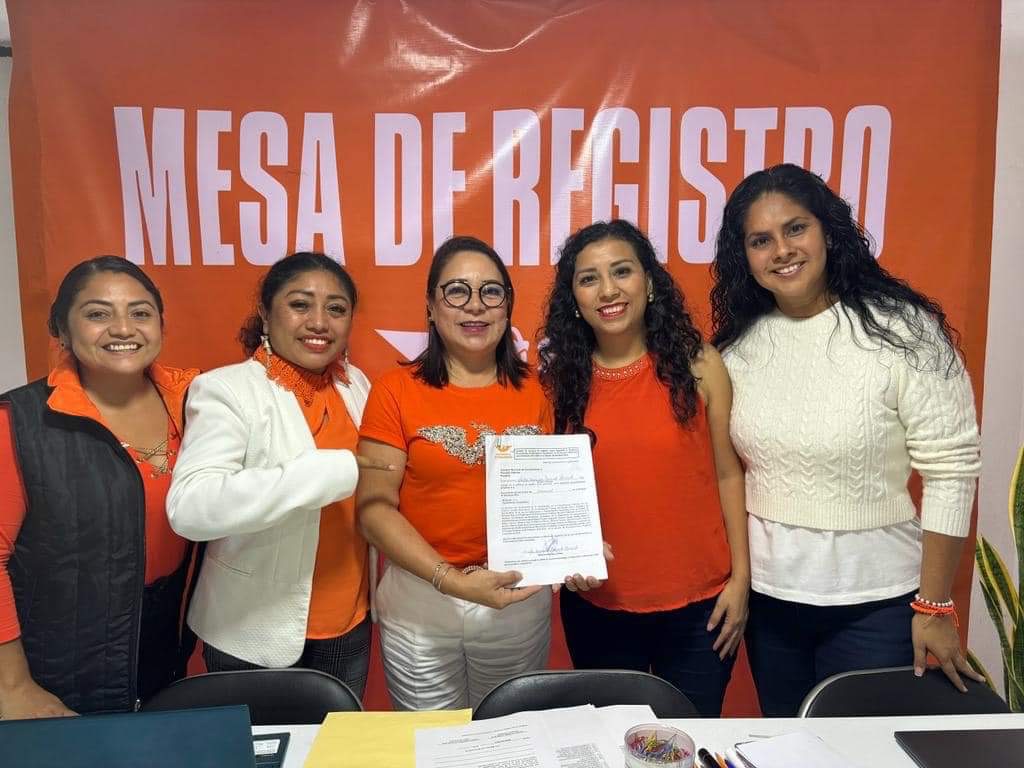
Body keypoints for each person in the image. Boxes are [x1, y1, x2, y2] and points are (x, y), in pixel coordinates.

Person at [710, 163, 985, 716]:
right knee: (790, 746)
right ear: (745, 257)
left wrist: (934, 605)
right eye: (761, 240)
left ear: (829, 232)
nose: (782, 250)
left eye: (796, 228)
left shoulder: (904, 331)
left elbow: (952, 469)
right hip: (771, 605)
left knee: (864, 751)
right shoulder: (737, 349)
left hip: (878, 604)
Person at [357, 236, 591, 711]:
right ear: (431, 305)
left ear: (507, 305)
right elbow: (373, 509)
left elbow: (554, 497)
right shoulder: (394, 391)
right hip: (421, 600)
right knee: (430, 742)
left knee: (508, 736)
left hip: (515, 599)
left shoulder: (540, 391)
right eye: (457, 291)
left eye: (491, 291)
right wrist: (450, 579)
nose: (475, 305)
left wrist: (577, 546)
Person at [537, 220, 749, 717]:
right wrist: (563, 555)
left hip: (702, 608)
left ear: (649, 282)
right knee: (611, 743)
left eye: (622, 271)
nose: (608, 290)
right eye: (589, 279)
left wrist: (741, 580)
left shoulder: (700, 365)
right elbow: (549, 496)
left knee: (690, 739)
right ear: (573, 299)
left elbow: (728, 474)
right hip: (598, 606)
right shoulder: (558, 383)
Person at [166, 252, 389, 698]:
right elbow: (190, 506)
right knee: (263, 742)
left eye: (336, 308)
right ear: (266, 314)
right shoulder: (226, 389)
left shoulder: (357, 385)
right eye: (300, 304)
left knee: (338, 742)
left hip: (349, 623)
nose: (319, 322)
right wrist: (328, 471)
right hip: (252, 629)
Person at [0, 256, 199, 718]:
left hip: (164, 657)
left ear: (161, 325)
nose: (123, 328)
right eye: (97, 314)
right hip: (57, 671)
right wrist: (13, 686)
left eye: (140, 312)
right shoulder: (20, 423)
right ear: (62, 330)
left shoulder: (195, 405)